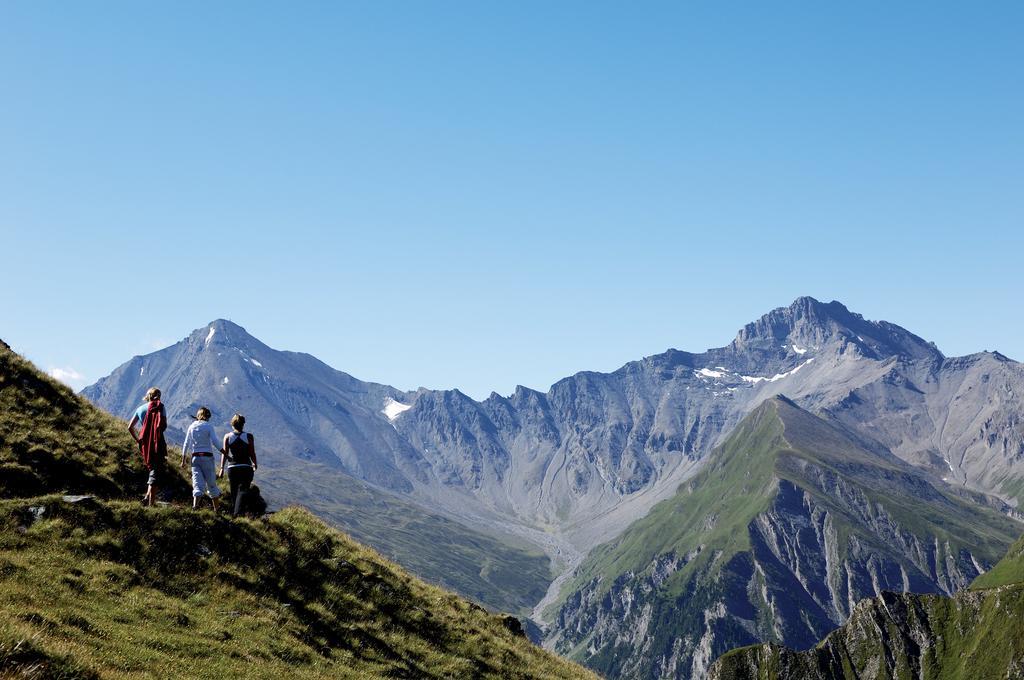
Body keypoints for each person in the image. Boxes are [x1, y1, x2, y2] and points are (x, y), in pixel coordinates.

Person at [128, 387, 167, 507]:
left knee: (152, 469)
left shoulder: (140, 409)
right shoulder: (160, 407)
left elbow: (130, 427)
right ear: (158, 396)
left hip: (144, 442)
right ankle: (151, 503)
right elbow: (163, 425)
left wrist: (138, 440)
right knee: (155, 471)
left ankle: (146, 497)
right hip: (156, 441)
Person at [181, 407, 222, 511]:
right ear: (207, 416)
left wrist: (183, 459)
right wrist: (224, 452)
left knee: (197, 483)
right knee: (211, 483)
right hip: (207, 457)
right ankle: (216, 509)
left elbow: (186, 443)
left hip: (195, 458)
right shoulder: (208, 426)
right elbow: (215, 441)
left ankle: (195, 507)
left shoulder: (191, 427)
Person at [219, 413, 258, 517]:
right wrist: (255, 463)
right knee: (243, 490)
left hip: (232, 468)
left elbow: (225, 454)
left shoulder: (227, 436)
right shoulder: (249, 436)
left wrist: (222, 468)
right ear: (243, 424)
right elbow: (252, 452)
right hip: (246, 467)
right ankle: (238, 514)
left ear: (232, 424)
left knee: (234, 491)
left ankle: (235, 514)